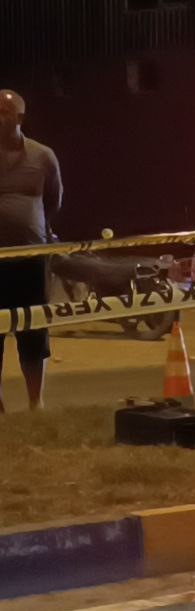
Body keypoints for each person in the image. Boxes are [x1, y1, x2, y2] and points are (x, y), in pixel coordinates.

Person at [0, 89, 62, 412]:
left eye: (3, 112)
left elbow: (53, 200)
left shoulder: (42, 156)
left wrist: (37, 228)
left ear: (19, 118)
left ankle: (35, 402)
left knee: (33, 330)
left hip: (31, 259)